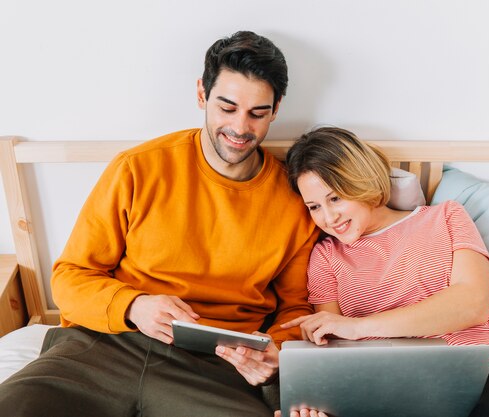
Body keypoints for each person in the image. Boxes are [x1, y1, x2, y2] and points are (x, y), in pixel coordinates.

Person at [0, 31, 318, 417]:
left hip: (216, 368)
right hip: (107, 346)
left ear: (276, 108)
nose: (239, 128)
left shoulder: (295, 200)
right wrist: (134, 306)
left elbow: (295, 310)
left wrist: (277, 352)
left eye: (257, 113)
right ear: (202, 94)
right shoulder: (138, 167)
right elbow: (70, 277)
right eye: (227, 107)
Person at [281, 126, 489, 417]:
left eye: (335, 199)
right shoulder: (326, 257)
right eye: (314, 207)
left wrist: (360, 327)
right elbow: (334, 350)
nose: (328, 218)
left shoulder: (446, 216)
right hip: (396, 389)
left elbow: (471, 305)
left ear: (361, 181)